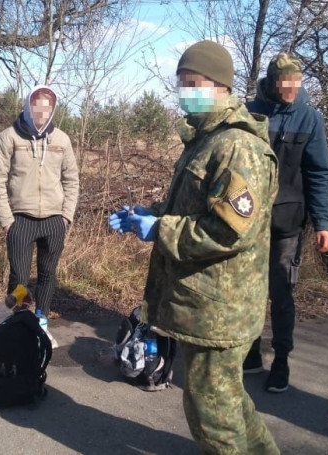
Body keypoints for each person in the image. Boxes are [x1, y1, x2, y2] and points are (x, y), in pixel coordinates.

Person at [109, 40, 279, 454]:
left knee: (213, 419)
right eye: (182, 83)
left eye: (194, 83)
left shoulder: (236, 146)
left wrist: (160, 230)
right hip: (205, 305)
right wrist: (148, 214)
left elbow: (228, 231)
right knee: (229, 402)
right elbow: (193, 207)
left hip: (220, 310)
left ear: (221, 86)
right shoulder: (207, 140)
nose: (186, 91)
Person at [244, 52, 328, 393]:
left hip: (287, 220)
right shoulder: (251, 112)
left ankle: (281, 359)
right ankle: (251, 351)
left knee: (281, 290)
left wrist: (324, 223)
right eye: (285, 81)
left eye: (296, 81)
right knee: (248, 288)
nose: (291, 88)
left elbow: (319, 173)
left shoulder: (310, 119)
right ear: (272, 81)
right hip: (249, 218)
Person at [0, 84, 79, 347]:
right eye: (37, 106)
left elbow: (72, 180)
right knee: (19, 277)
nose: (42, 113)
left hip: (54, 220)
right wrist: (6, 220)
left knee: (48, 274)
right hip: (20, 220)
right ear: (28, 106)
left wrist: (66, 217)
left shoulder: (61, 140)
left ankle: (41, 320)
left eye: (47, 108)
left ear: (52, 110)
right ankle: (13, 322)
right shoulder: (9, 137)